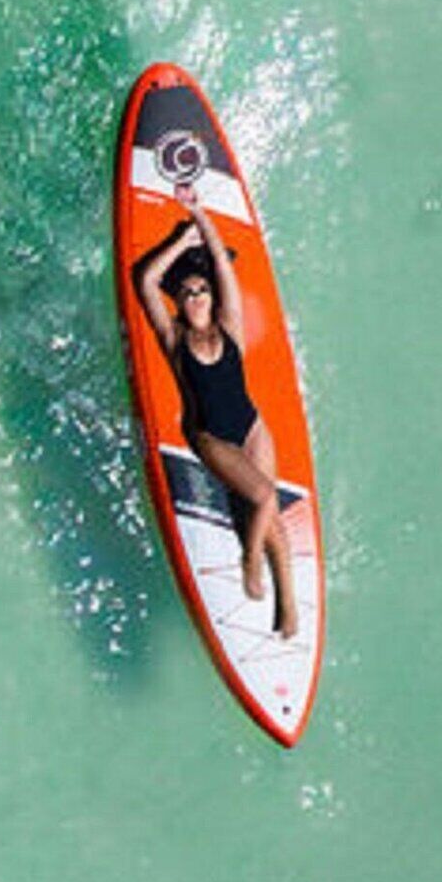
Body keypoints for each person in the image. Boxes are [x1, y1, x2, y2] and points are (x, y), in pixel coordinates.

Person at [131, 197, 295, 637]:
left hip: (251, 425)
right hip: (210, 437)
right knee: (261, 499)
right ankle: (249, 562)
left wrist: (201, 219)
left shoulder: (230, 325)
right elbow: (146, 281)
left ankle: (288, 606)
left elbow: (224, 268)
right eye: (187, 292)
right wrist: (181, 240)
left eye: (202, 290)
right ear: (180, 303)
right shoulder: (174, 338)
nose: (198, 296)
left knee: (269, 511)